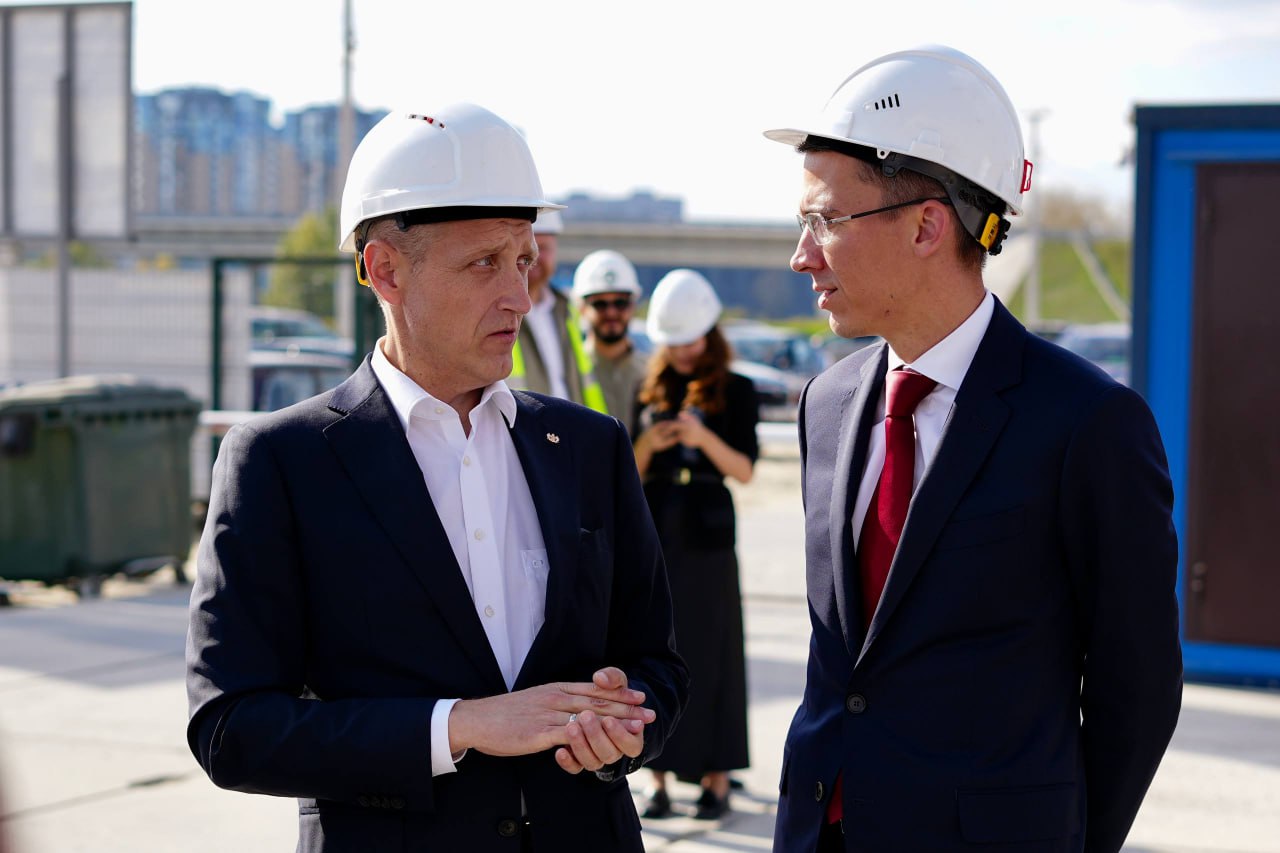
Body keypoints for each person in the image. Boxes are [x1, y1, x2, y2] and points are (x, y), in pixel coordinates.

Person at [186, 102, 688, 853]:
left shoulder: (590, 446)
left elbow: (658, 664)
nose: (519, 296)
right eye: (484, 263)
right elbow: (231, 729)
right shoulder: (281, 461)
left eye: (524, 261)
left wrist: (625, 723)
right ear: (385, 269)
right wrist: (460, 726)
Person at [763, 46, 1182, 853]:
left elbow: (1138, 687)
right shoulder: (828, 403)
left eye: (825, 221)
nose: (801, 254)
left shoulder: (1088, 422)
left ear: (926, 224)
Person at [630, 269, 758, 821]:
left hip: (708, 532)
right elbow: (628, 474)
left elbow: (745, 470)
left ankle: (716, 777)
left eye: (691, 340)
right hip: (658, 526)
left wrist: (701, 436)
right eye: (674, 342)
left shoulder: (737, 389)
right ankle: (657, 778)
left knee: (715, 649)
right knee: (656, 645)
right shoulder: (648, 387)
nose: (683, 352)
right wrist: (649, 442)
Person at [507, 210, 608, 413]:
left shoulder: (567, 309)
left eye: (543, 248)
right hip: (520, 430)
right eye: (528, 248)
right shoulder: (498, 310)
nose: (535, 256)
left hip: (570, 428)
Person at [571, 250, 649, 430]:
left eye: (620, 303)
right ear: (581, 308)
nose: (611, 312)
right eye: (600, 304)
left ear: (633, 305)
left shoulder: (651, 372)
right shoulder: (569, 372)